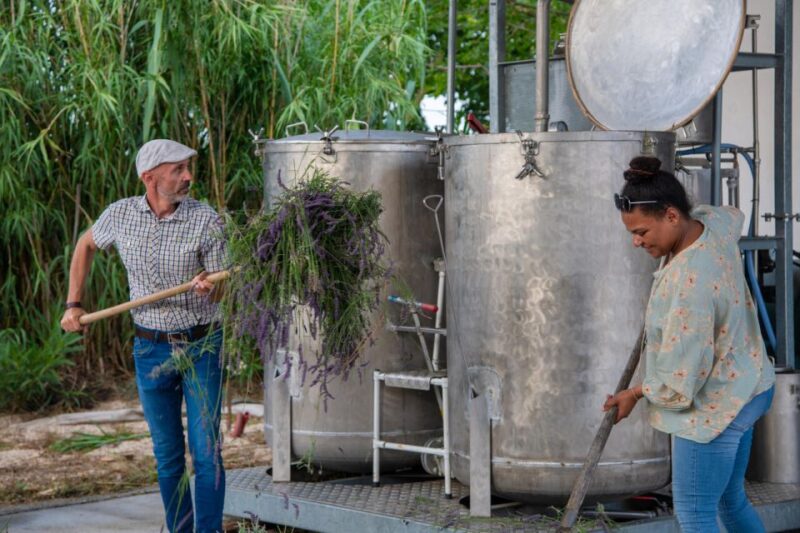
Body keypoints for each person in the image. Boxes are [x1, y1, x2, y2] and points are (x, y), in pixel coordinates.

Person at [61, 139, 229, 533]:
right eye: (178, 169)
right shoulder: (120, 215)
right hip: (149, 347)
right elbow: (86, 245)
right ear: (149, 177)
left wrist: (211, 287)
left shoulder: (207, 220)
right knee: (168, 456)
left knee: (205, 454)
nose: (188, 176)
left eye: (189, 167)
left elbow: (226, 287)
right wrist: (73, 304)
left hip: (202, 344)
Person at [603, 156, 776, 533]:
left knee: (696, 514)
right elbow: (730, 212)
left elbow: (681, 381)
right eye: (632, 232)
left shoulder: (689, 283)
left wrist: (636, 392)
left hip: (715, 407)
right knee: (731, 501)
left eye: (643, 232)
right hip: (750, 384)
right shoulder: (712, 226)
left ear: (670, 216)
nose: (636, 242)